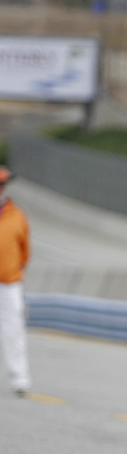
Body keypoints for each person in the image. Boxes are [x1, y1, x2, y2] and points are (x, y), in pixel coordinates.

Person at [0, 167, 31, 396]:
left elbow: (24, 251)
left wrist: (14, 269)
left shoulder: (16, 215)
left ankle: (19, 378)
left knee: (14, 330)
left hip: (9, 282)